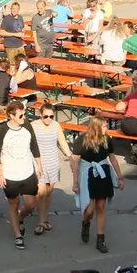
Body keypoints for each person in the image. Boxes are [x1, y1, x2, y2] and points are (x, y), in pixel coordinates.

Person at [72, 116, 124, 253]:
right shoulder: (81, 140)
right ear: (96, 127)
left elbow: (112, 158)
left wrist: (120, 176)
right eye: (105, 126)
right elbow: (75, 162)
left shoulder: (107, 140)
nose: (107, 128)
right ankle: (86, 222)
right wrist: (75, 182)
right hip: (87, 174)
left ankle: (101, 240)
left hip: (103, 173)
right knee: (89, 210)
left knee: (101, 207)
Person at [0, 100, 40, 249]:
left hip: (28, 173)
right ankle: (18, 235)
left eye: (24, 114)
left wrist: (39, 166)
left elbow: (34, 147)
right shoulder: (1, 131)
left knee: (30, 205)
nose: (23, 117)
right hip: (10, 175)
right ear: (11, 116)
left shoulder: (27, 126)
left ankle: (20, 219)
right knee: (13, 204)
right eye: (20, 115)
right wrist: (0, 174)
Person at [29, 102, 71, 236]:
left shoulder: (56, 125)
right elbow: (27, 144)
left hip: (53, 163)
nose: (48, 119)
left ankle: (44, 217)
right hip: (39, 163)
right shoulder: (34, 126)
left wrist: (69, 155)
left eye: (51, 116)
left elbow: (62, 141)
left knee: (48, 193)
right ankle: (41, 222)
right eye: (45, 116)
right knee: (40, 193)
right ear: (40, 115)